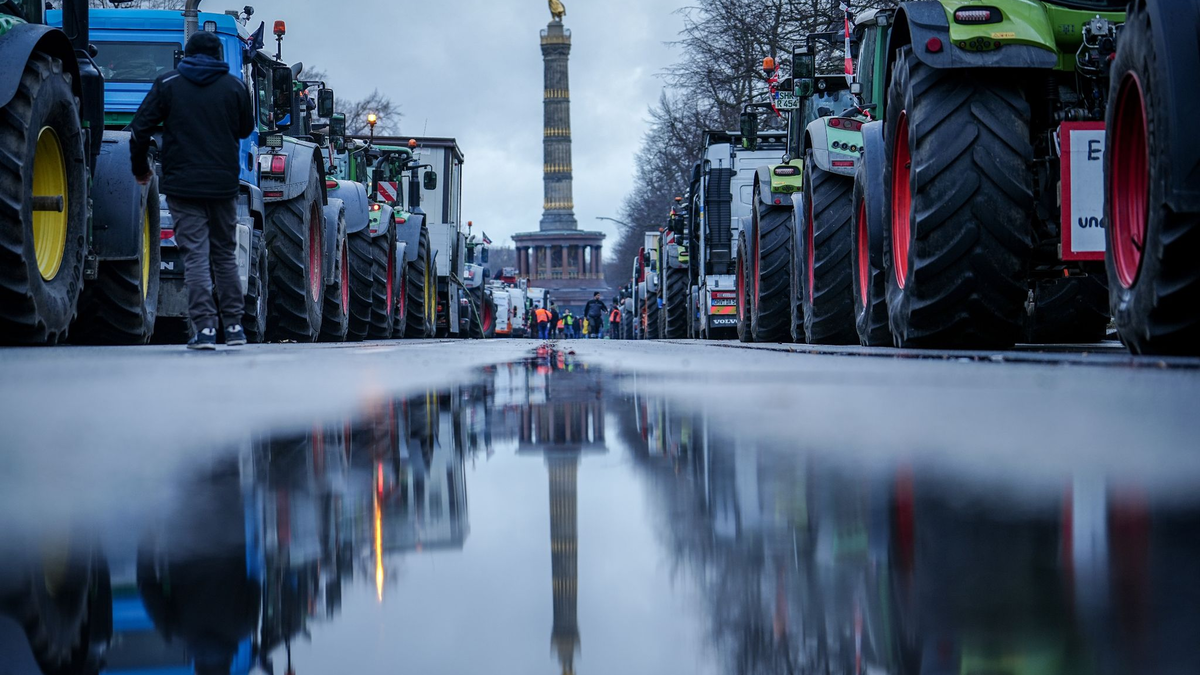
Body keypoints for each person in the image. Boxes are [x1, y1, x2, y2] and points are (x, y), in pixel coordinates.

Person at [130, 31, 254, 350]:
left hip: (182, 185)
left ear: (186, 53)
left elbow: (140, 129)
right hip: (223, 185)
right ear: (218, 56)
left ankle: (205, 331)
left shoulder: (169, 84)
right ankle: (235, 328)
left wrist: (141, 169)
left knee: (196, 256)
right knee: (225, 254)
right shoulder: (235, 87)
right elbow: (244, 129)